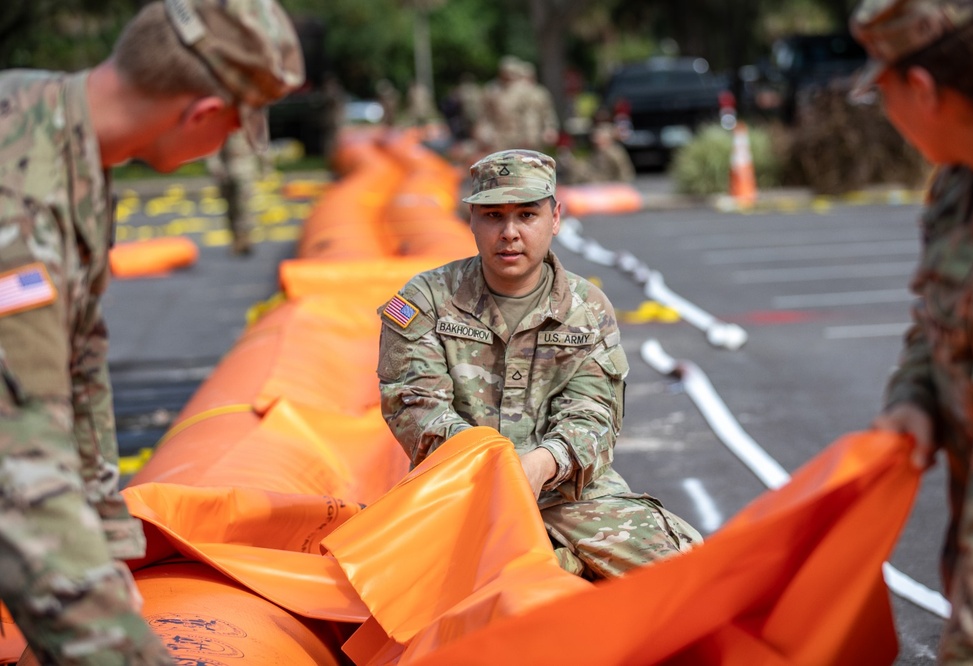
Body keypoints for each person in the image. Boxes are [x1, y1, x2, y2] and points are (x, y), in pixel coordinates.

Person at [0, 0, 303, 662]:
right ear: (200, 115)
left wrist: (108, 550)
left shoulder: (60, 136)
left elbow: (78, 363)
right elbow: (20, 467)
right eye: (231, 129)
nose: (224, 148)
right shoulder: (22, 203)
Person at [377, 149, 701, 580]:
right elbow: (414, 405)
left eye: (526, 215)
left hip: (569, 495)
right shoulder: (427, 300)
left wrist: (543, 463)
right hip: (460, 492)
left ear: (555, 218)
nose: (509, 233)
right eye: (493, 216)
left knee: (686, 569)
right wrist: (498, 469)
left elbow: (593, 413)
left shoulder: (587, 309)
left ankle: (561, 562)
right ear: (471, 220)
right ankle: (557, 565)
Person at [850, 0, 973, 661]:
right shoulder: (960, 188)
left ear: (922, 89)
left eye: (881, 88)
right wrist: (914, 397)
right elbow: (936, 319)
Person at [207, 131, 262, 256]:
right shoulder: (221, 124)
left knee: (244, 206)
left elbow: (259, 143)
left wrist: (265, 166)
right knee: (231, 207)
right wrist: (215, 168)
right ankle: (236, 238)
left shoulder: (247, 121)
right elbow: (212, 149)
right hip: (226, 171)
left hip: (245, 169)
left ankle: (245, 238)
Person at [558, 122, 636, 185]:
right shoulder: (596, 152)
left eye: (599, 137)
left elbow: (625, 173)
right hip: (594, 182)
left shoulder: (614, 153)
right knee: (577, 168)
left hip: (608, 185)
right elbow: (587, 167)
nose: (595, 140)